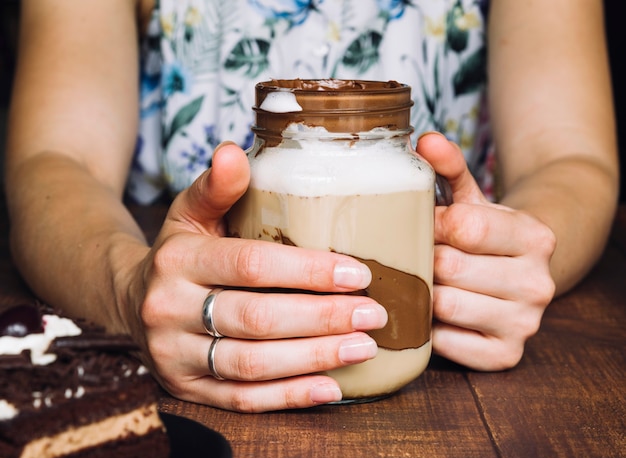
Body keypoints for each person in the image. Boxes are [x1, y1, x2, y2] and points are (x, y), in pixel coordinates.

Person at [4, 0, 618, 412]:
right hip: (197, 346)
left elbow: (567, 158)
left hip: (446, 377)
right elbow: (58, 158)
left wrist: (507, 261)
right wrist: (126, 287)